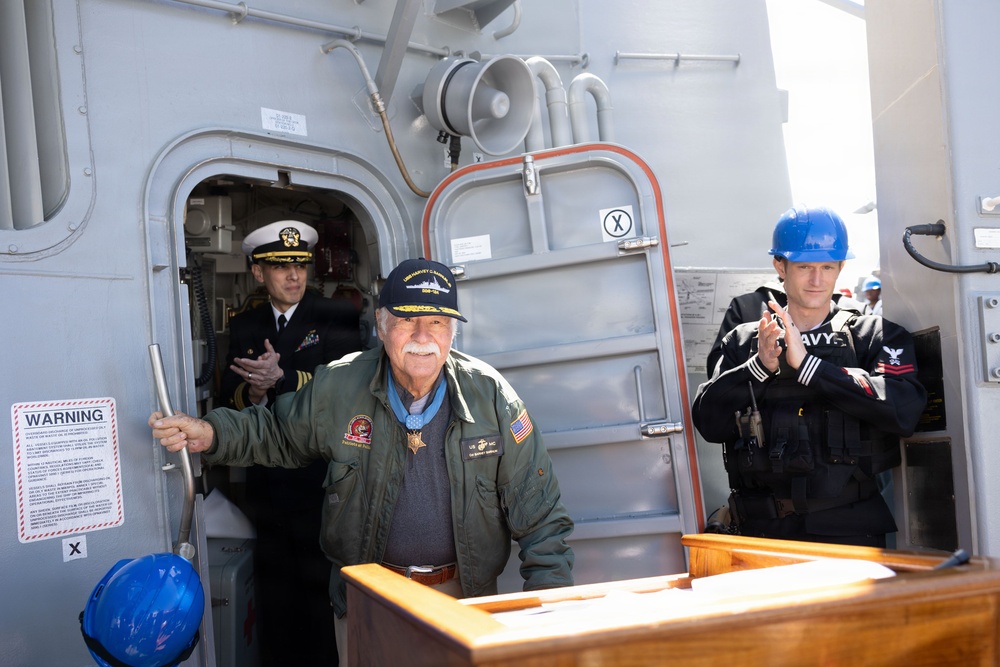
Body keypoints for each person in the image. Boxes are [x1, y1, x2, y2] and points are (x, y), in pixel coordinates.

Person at [151, 257, 575, 667]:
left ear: (452, 331)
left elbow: (541, 520)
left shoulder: (492, 397)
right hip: (368, 598)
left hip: (463, 600)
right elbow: (277, 433)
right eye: (409, 320)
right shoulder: (341, 384)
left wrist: (546, 622)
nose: (423, 336)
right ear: (382, 323)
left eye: (438, 322)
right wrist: (212, 433)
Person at [692, 205, 927, 547]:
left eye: (827, 267)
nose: (817, 280)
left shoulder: (874, 335)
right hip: (760, 535)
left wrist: (811, 368)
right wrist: (759, 367)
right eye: (804, 267)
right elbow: (708, 422)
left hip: (848, 533)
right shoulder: (744, 341)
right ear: (780, 266)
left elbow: (903, 410)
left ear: (840, 268)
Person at [219, 220, 361, 666]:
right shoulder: (244, 326)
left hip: (322, 482)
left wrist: (282, 378)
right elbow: (229, 396)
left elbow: (347, 388)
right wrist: (255, 392)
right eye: (281, 267)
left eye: (300, 264)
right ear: (258, 273)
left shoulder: (335, 316)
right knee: (275, 595)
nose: (294, 275)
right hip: (266, 485)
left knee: (322, 593)